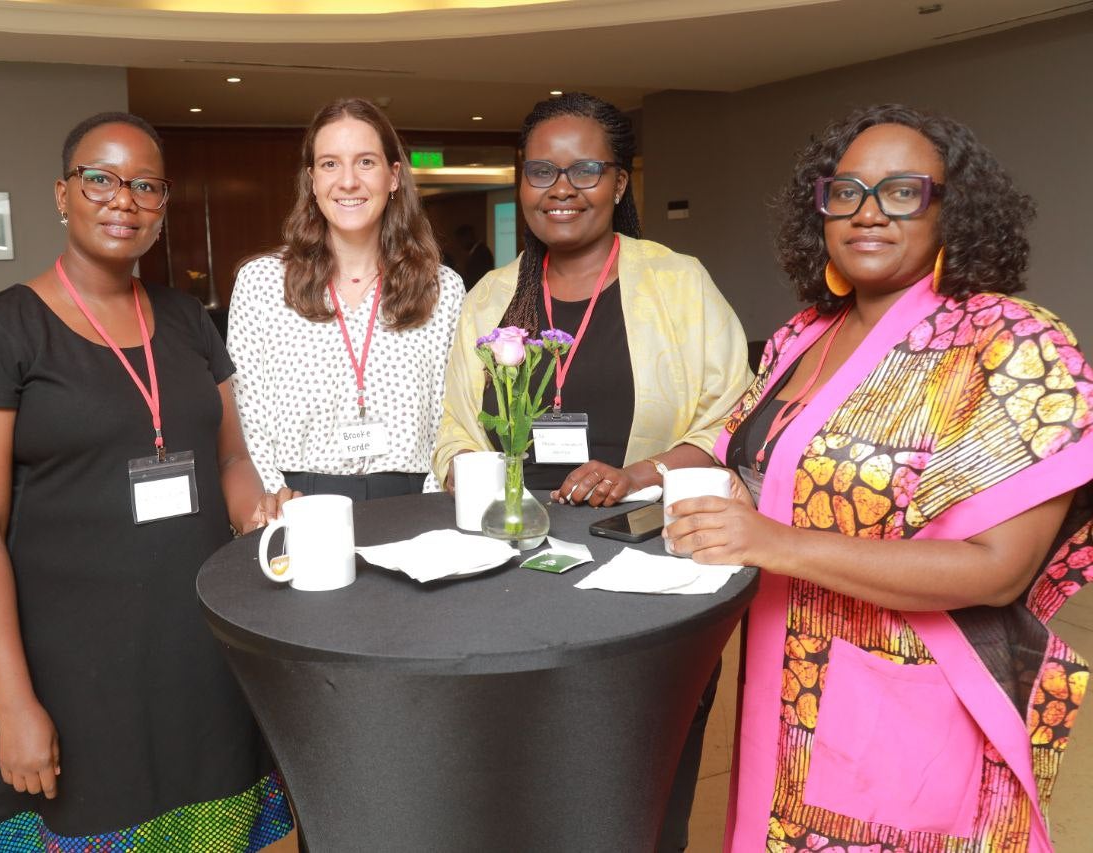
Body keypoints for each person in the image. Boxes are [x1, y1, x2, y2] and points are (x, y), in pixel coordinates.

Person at [668, 104, 1093, 850]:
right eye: (847, 192)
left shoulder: (1008, 339)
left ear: (949, 210)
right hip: (780, 675)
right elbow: (751, 463)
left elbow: (997, 570)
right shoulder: (806, 333)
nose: (868, 212)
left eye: (902, 192)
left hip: (907, 695)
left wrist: (768, 538)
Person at [0, 111, 294, 851]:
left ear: (163, 207)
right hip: (76, 665)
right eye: (99, 178)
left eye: (146, 186)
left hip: (201, 646)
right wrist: (14, 702)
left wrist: (260, 510)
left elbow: (229, 460)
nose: (123, 199)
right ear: (62, 193)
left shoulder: (190, 321)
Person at [432, 92, 752, 850]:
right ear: (521, 182)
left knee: (641, 773)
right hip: (513, 568)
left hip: (647, 563)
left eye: (585, 169)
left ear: (618, 183)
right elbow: (453, 431)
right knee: (519, 768)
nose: (562, 187)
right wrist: (481, 482)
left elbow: (733, 414)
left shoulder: (678, 283)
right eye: (542, 169)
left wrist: (639, 472)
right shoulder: (487, 298)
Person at [228, 97, 464, 500]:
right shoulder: (262, 283)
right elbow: (245, 415)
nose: (348, 181)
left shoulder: (441, 288)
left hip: (412, 500)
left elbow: (451, 416)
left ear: (393, 176)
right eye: (330, 163)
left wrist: (429, 504)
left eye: (366, 162)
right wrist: (276, 498)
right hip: (300, 501)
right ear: (313, 179)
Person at [455, 223, 496, 290]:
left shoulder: (481, 253)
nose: (460, 244)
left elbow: (476, 278)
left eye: (461, 240)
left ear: (468, 237)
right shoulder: (477, 251)